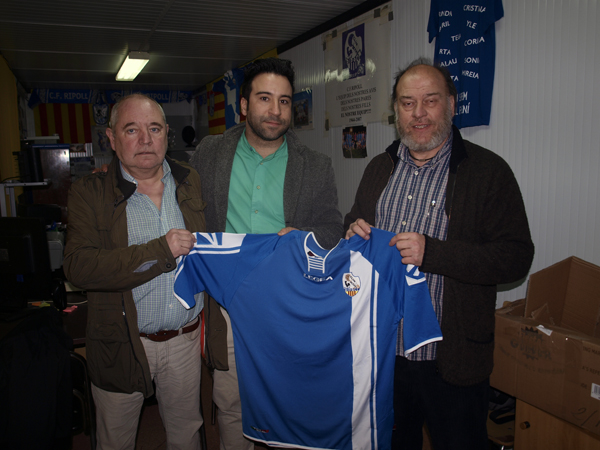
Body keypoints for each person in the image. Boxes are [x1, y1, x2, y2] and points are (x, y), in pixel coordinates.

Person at [345, 58, 534, 450]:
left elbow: (516, 257)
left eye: (430, 100)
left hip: (452, 360)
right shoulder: (379, 169)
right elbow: (354, 222)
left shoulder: (488, 172)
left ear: (450, 104)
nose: (419, 113)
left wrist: (434, 253)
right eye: (407, 103)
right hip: (385, 353)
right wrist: (351, 231)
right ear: (396, 110)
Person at [190, 57, 343, 450]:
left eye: (284, 101)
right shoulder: (210, 153)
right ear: (243, 105)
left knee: (290, 401)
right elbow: (178, 192)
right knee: (232, 402)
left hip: (288, 305)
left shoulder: (316, 166)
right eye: (264, 98)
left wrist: (304, 237)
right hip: (228, 303)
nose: (275, 110)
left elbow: (333, 228)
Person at [64, 94, 207, 450]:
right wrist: (160, 251)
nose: (145, 139)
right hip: (122, 342)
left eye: (154, 129)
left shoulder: (190, 180)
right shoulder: (89, 192)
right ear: (112, 139)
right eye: (132, 130)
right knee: (116, 440)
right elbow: (79, 267)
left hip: (185, 339)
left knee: (187, 435)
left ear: (167, 134)